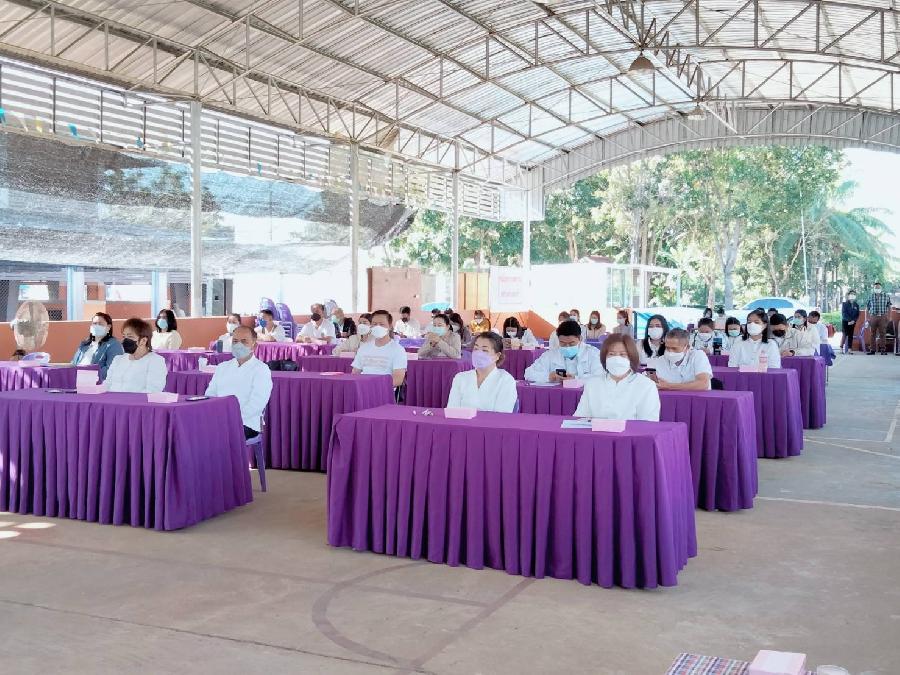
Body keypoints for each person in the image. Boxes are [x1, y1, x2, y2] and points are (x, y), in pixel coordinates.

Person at [205, 325, 273, 440]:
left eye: (244, 341)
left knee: (216, 436)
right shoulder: (222, 367)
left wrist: (231, 419)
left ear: (254, 345)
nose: (238, 345)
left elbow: (257, 403)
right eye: (235, 341)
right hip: (219, 419)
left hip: (247, 423)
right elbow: (210, 395)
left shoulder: (261, 369)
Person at [573, 334, 660, 421]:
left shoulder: (646, 385)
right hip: (596, 430)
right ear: (604, 357)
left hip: (631, 430)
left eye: (622, 354)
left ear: (631, 357)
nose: (617, 359)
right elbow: (580, 418)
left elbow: (648, 424)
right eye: (611, 354)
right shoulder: (592, 384)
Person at [447, 332, 518, 412]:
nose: (478, 354)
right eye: (476, 349)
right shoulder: (460, 378)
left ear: (497, 355)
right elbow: (452, 411)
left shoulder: (506, 380)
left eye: (485, 350)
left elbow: (501, 415)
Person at [524, 320, 602, 383]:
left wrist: (576, 379)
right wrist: (548, 377)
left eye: (571, 343)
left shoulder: (592, 353)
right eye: (563, 343)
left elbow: (601, 376)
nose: (567, 347)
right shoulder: (551, 354)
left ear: (580, 339)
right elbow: (528, 373)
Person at [105, 318, 167, 393]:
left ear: (143, 341)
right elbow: (107, 384)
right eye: (124, 336)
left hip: (136, 400)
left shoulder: (155, 361)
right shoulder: (118, 359)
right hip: (111, 399)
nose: (125, 340)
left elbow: (152, 391)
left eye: (130, 336)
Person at [351, 310, 408, 387]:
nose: (378, 327)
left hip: (383, 390)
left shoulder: (398, 350)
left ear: (390, 326)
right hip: (363, 389)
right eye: (374, 324)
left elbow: (398, 379)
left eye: (381, 324)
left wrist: (376, 386)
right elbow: (355, 373)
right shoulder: (364, 348)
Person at [648, 328, 712, 391]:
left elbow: (703, 384)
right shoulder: (659, 361)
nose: (670, 352)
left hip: (696, 397)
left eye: (674, 348)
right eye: (667, 348)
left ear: (687, 347)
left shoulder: (698, 355)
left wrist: (668, 386)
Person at [70, 312, 124, 381]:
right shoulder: (84, 344)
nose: (96, 326)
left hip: (96, 384)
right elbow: (74, 363)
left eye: (100, 324)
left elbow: (111, 368)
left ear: (109, 327)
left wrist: (89, 377)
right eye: (94, 323)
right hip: (76, 381)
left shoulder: (114, 345)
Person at [865, 282, 893, 355]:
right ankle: (872, 350)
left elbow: (890, 307)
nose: (877, 289)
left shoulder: (886, 296)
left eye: (878, 287)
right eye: (876, 288)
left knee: (882, 333)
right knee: (872, 333)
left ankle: (883, 350)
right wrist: (867, 318)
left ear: (881, 288)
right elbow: (867, 308)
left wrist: (890, 317)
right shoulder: (870, 296)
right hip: (873, 316)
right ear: (874, 288)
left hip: (883, 316)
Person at [840, 289, 860, 354]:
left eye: (854, 294)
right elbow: (844, 313)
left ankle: (849, 349)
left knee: (851, 335)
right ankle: (841, 348)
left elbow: (857, 314)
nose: (852, 295)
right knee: (845, 334)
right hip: (845, 321)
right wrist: (849, 320)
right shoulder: (845, 304)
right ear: (848, 295)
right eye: (851, 294)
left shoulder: (856, 305)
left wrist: (853, 320)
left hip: (853, 322)